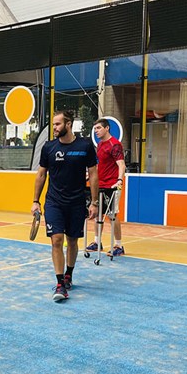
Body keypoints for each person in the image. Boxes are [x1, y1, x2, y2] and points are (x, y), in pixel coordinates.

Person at [31, 110, 98, 302]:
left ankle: (69, 273)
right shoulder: (49, 147)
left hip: (77, 202)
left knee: (73, 241)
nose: (54, 127)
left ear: (69, 124)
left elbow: (94, 174)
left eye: (58, 124)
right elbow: (41, 175)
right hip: (54, 202)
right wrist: (35, 201)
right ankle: (60, 283)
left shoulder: (85, 146)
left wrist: (94, 202)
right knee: (57, 240)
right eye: (53, 124)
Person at [86, 118, 126, 257]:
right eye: (95, 129)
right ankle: (97, 242)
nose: (96, 131)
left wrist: (119, 180)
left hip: (112, 185)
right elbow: (100, 165)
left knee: (112, 215)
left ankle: (118, 245)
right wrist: (90, 176)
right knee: (98, 213)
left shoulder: (115, 145)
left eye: (98, 128)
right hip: (100, 185)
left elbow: (121, 164)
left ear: (107, 128)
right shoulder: (100, 145)